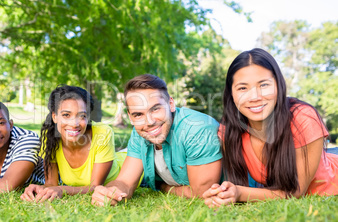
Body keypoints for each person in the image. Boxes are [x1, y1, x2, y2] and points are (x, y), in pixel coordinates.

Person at [203, 48, 338, 208]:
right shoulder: (229, 130)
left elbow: (296, 192)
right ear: (231, 93)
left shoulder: (303, 118)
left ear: (278, 85)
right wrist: (222, 193)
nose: (254, 97)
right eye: (242, 88)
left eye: (264, 85)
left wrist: (239, 193)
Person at [91, 74, 222, 206]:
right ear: (130, 117)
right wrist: (110, 192)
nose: (149, 122)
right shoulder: (140, 131)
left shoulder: (196, 129)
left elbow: (202, 193)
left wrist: (164, 187)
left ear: (171, 104)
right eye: (138, 114)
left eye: (155, 109)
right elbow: (125, 182)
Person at [20, 85, 125, 202]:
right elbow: (51, 183)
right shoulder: (49, 139)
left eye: (82, 116)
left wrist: (62, 189)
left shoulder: (102, 133)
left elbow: (96, 186)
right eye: (66, 115)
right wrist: (37, 188)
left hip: (129, 170)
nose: (74, 123)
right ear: (54, 117)